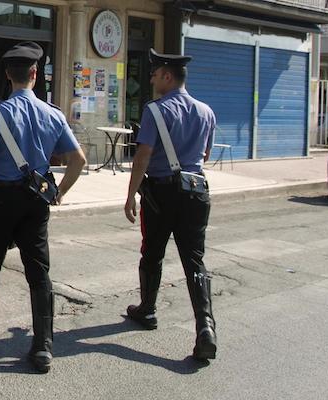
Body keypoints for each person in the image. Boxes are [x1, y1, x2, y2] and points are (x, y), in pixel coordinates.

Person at [0, 42, 87, 374]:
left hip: (1, 199)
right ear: (35, 74)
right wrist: (59, 194)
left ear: (8, 75)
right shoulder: (53, 114)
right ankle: (42, 347)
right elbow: (78, 160)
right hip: (35, 201)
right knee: (38, 272)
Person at [123, 49, 218, 361]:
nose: (150, 79)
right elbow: (204, 156)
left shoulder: (155, 111)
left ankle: (147, 310)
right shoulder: (206, 111)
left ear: (167, 76)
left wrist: (130, 194)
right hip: (197, 191)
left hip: (163, 192)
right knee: (194, 260)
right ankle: (206, 327)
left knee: (153, 252)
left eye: (154, 73)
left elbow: (143, 157)